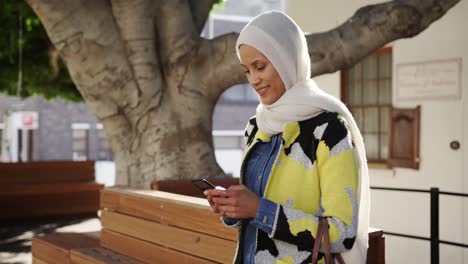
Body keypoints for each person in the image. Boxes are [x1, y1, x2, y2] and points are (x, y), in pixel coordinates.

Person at [205, 10, 369, 264]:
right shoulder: (256, 127)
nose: (253, 80)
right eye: (247, 71)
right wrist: (233, 210)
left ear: (286, 59)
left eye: (260, 66)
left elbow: (341, 234)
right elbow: (253, 222)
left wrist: (259, 209)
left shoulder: (329, 130)